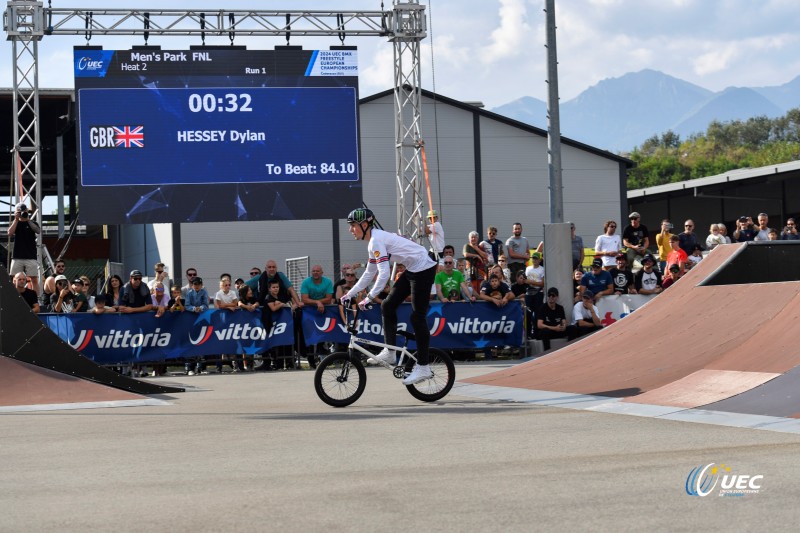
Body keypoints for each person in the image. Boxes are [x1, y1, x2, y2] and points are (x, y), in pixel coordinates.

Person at [341, 207, 438, 385]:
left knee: (417, 317)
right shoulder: (374, 242)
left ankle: (423, 366)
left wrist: (368, 298)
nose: (350, 229)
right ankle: (391, 352)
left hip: (423, 267)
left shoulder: (376, 240)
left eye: (353, 225)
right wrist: (351, 293)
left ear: (364, 224)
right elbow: (369, 273)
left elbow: (384, 274)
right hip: (413, 268)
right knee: (387, 305)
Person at [300, 265, 334, 369]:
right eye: (313, 271)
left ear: (322, 272)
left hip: (324, 312)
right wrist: (318, 302)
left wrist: (317, 303)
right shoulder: (306, 282)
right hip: (309, 312)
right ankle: (311, 362)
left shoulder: (327, 282)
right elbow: (304, 299)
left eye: (317, 271)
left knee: (323, 336)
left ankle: (323, 359)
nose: (315, 273)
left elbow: (329, 298)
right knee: (310, 336)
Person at [7, 202, 41, 295]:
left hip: (30, 256)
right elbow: (9, 233)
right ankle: (12, 297)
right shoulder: (16, 223)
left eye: (24, 211)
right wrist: (16, 219)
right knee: (13, 278)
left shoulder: (32, 222)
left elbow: (38, 231)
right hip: (17, 256)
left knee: (34, 278)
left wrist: (27, 219)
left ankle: (36, 299)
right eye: (20, 211)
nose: (23, 213)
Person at [463, 231, 489, 295]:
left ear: (477, 239)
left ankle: (481, 295)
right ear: (469, 239)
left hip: (480, 269)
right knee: (471, 284)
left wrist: (477, 249)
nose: (473, 239)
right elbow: (465, 254)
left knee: (483, 282)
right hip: (470, 269)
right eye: (472, 237)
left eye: (475, 237)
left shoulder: (480, 247)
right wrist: (476, 255)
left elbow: (485, 256)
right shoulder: (467, 246)